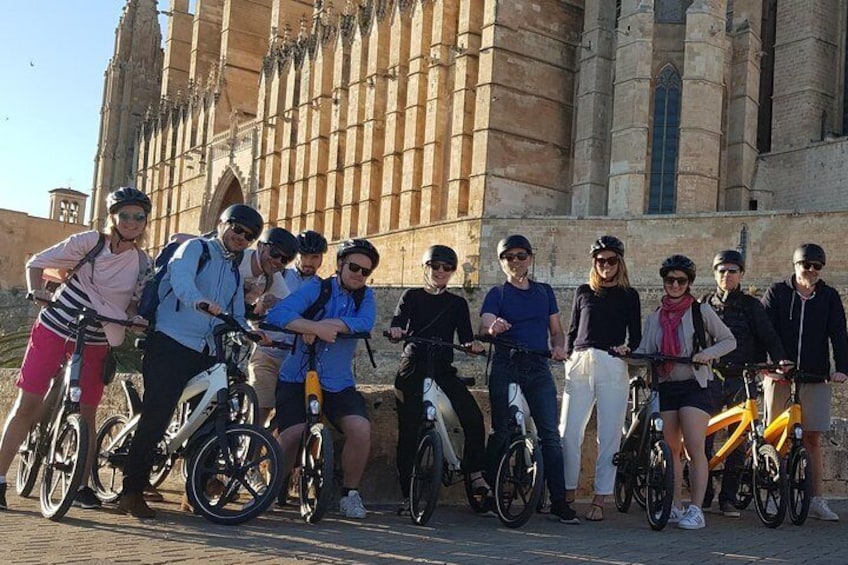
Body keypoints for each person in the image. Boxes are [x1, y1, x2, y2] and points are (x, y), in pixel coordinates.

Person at [0, 187, 151, 511]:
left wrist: (135, 318)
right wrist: (37, 292)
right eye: (125, 215)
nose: (132, 222)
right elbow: (37, 264)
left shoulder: (141, 262)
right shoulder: (89, 242)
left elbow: (135, 303)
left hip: (97, 338)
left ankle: (81, 485)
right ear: (113, 216)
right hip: (56, 327)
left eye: (139, 217)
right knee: (28, 403)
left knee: (87, 412)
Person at [118, 203, 267, 518]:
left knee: (207, 422)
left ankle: (195, 489)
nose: (241, 237)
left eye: (249, 236)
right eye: (237, 229)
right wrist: (199, 301)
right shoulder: (194, 248)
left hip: (205, 351)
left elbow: (236, 311)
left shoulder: (233, 271)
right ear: (222, 224)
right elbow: (182, 281)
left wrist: (251, 332)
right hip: (170, 342)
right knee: (157, 415)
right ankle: (131, 491)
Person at [265, 238, 379, 519]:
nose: (359, 275)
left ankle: (349, 494)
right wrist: (312, 326)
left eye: (365, 271)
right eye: (354, 267)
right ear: (340, 264)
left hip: (338, 381)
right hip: (298, 376)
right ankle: (269, 491)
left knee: (360, 430)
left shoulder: (365, 297)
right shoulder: (316, 288)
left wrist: (333, 325)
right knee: (291, 433)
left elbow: (365, 322)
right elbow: (279, 314)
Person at [479, 234, 578, 524]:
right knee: (501, 431)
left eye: (521, 256)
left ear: (530, 259)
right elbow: (485, 322)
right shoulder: (497, 293)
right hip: (506, 365)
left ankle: (559, 501)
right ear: (501, 262)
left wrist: (559, 346)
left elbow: (556, 329)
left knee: (549, 434)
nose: (515, 261)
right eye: (509, 257)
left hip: (537, 366)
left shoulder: (544, 292)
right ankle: (490, 491)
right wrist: (493, 327)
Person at [635, 255, 735, 530]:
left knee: (694, 447)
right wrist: (625, 353)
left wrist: (706, 354)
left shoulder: (701, 312)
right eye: (670, 280)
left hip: (695, 385)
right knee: (671, 449)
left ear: (689, 283)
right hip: (666, 386)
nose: (675, 285)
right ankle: (675, 505)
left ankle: (696, 508)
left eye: (681, 280)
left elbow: (729, 340)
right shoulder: (655, 317)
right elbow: (644, 351)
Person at [389, 245, 487, 515]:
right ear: (425, 267)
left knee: (473, 418)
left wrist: (472, 346)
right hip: (413, 367)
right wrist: (397, 331)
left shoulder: (457, 303)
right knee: (408, 432)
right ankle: (407, 495)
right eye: (435, 266)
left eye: (447, 267)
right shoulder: (411, 296)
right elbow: (399, 321)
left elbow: (465, 336)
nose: (441, 271)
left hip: (443, 368)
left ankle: (476, 474)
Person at [761, 243, 848, 521]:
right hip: (780, 375)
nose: (810, 271)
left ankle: (816, 499)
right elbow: (764, 330)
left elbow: (839, 334)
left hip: (815, 374)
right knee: (776, 438)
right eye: (805, 265)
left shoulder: (830, 297)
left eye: (816, 267)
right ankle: (772, 494)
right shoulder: (777, 292)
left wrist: (842, 369)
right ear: (795, 265)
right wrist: (774, 362)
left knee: (812, 437)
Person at [701, 250, 789, 517]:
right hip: (711, 378)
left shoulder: (751, 306)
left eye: (732, 271)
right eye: (722, 271)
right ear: (715, 274)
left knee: (739, 442)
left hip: (742, 379)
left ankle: (728, 498)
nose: (727, 275)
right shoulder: (704, 302)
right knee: (704, 438)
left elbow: (768, 335)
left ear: (741, 274)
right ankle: (702, 494)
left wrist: (780, 359)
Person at [559, 235, 641, 522]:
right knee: (568, 432)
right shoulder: (583, 291)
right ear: (594, 263)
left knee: (609, 436)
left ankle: (600, 499)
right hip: (581, 361)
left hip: (611, 363)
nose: (606, 265)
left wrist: (627, 349)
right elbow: (571, 331)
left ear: (620, 263)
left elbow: (637, 336)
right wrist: (568, 356)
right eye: (600, 260)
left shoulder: (630, 295)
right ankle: (567, 493)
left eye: (611, 260)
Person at [243, 227, 298, 427]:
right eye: (275, 254)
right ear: (260, 246)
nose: (277, 261)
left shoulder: (273, 277)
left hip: (286, 354)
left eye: (284, 260)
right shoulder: (238, 261)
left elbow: (289, 308)